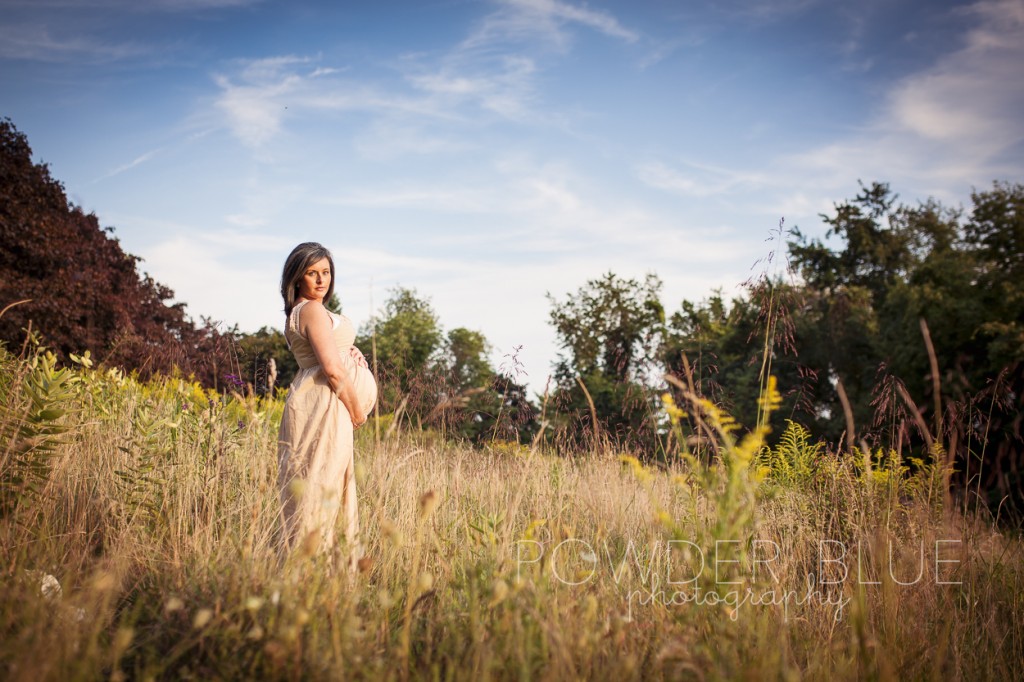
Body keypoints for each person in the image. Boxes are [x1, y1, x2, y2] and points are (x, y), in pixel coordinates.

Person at [276, 242, 377, 570]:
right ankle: (313, 576)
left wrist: (352, 352)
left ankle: (314, 577)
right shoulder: (311, 310)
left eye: (326, 273)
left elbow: (331, 356)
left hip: (318, 405)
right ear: (297, 278)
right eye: (312, 273)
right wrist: (357, 412)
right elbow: (332, 371)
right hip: (325, 407)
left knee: (316, 485)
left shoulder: (307, 311)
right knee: (320, 489)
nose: (321, 280)